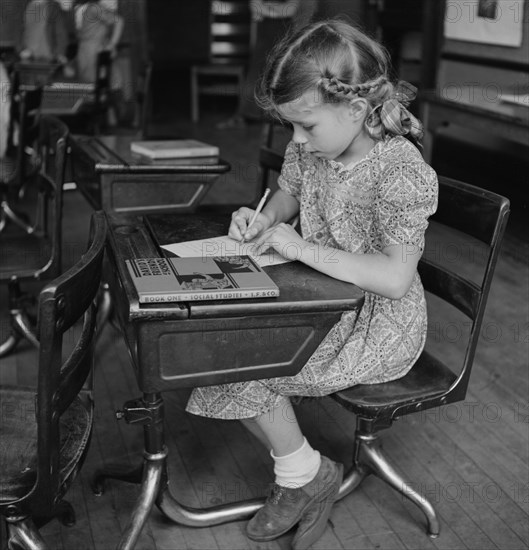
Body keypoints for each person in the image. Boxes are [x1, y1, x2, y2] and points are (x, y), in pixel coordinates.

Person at [186, 18, 438, 549]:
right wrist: (263, 218)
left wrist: (298, 247)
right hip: (320, 297)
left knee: (238, 361)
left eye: (306, 126)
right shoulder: (314, 146)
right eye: (290, 127)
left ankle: (301, 476)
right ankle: (305, 472)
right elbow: (288, 195)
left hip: (378, 323)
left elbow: (394, 278)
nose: (296, 141)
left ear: (355, 110)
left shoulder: (401, 171)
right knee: (212, 350)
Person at [217, 0, 318, 129]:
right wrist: (275, 10)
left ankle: (280, 120)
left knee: (284, 75)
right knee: (256, 73)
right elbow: (255, 7)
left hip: (294, 37)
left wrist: (268, 9)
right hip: (268, 36)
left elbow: (290, 9)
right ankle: (247, 116)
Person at [73, 0, 123, 85]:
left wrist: (112, 44)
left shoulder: (93, 8)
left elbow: (119, 21)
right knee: (94, 86)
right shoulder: (88, 8)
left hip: (91, 52)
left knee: (92, 86)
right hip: (88, 51)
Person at [19, 0, 69, 64]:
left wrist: (60, 53)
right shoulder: (25, 5)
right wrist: (20, 50)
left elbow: (61, 31)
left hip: (49, 56)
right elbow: (20, 29)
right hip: (28, 56)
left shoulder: (53, 6)